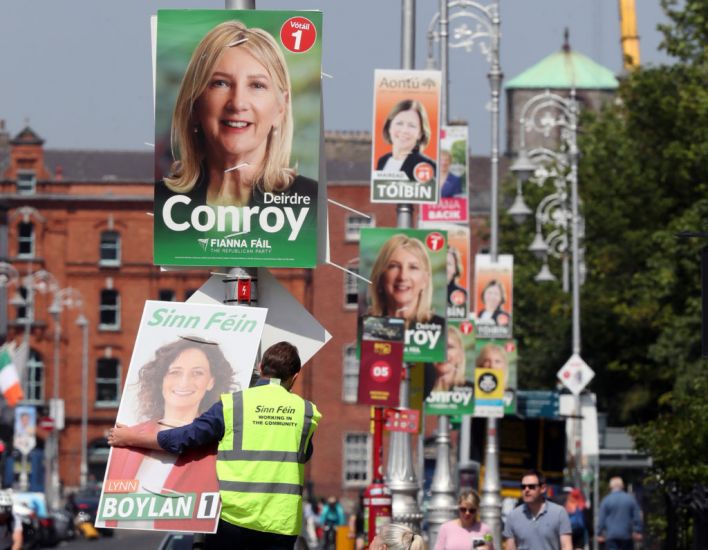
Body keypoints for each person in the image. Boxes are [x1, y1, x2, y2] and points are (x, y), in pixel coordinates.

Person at [108, 341, 321, 550]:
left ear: (260, 368)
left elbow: (186, 437)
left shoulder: (233, 404)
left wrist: (130, 437)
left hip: (233, 521)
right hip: (280, 525)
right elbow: (304, 453)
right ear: (294, 377)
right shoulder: (307, 412)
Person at [156, 20, 317, 208]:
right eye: (220, 83)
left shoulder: (312, 205)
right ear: (194, 103)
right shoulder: (160, 203)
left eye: (257, 85)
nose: (238, 103)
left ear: (281, 108)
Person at [104, 336, 235, 530]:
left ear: (211, 382)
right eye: (175, 372)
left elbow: (183, 439)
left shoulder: (219, 442)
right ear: (161, 379)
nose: (184, 382)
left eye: (197, 373)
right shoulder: (127, 435)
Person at [367, 234, 443, 328]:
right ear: (380, 276)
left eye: (413, 267)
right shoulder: (365, 327)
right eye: (394, 266)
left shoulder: (441, 329)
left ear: (425, 280)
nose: (403, 276)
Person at [502, 470, 572, 550]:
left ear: (543, 488)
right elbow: (510, 548)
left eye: (531, 486)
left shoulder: (559, 513)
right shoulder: (513, 516)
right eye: (523, 487)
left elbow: (566, 546)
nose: (526, 490)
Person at [376, 99, 436, 183]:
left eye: (412, 125)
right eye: (399, 123)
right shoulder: (382, 161)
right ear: (389, 127)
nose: (404, 130)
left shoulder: (428, 166)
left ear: (420, 133)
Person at [597, 477, 642, 550]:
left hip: (611, 535)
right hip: (626, 534)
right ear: (622, 486)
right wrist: (637, 530)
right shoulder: (630, 499)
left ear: (610, 486)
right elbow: (637, 517)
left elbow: (602, 519)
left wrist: (599, 533)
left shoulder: (606, 500)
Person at [431, 326, 467, 392]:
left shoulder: (473, 390)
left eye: (449, 347)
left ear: (460, 355)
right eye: (438, 346)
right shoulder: (420, 387)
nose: (444, 353)